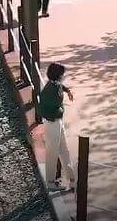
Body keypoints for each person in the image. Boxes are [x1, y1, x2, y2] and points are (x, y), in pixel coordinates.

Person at [40, 63, 76, 192]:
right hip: (53, 123)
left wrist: (68, 91)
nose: (63, 76)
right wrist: (60, 110)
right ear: (58, 75)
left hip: (57, 122)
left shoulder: (54, 85)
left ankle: (72, 179)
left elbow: (61, 86)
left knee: (64, 150)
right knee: (52, 152)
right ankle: (50, 181)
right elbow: (50, 106)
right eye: (62, 74)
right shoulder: (52, 89)